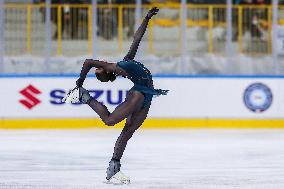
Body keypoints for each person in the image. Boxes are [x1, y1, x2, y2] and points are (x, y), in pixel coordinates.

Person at [63, 7, 168, 184]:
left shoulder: (126, 61)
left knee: (128, 131)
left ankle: (114, 168)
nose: (99, 66)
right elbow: (88, 62)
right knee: (110, 121)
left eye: (98, 68)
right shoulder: (117, 66)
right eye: (99, 69)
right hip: (139, 94)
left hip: (147, 94)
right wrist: (79, 83)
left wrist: (147, 19)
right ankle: (84, 96)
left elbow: (137, 38)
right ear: (105, 71)